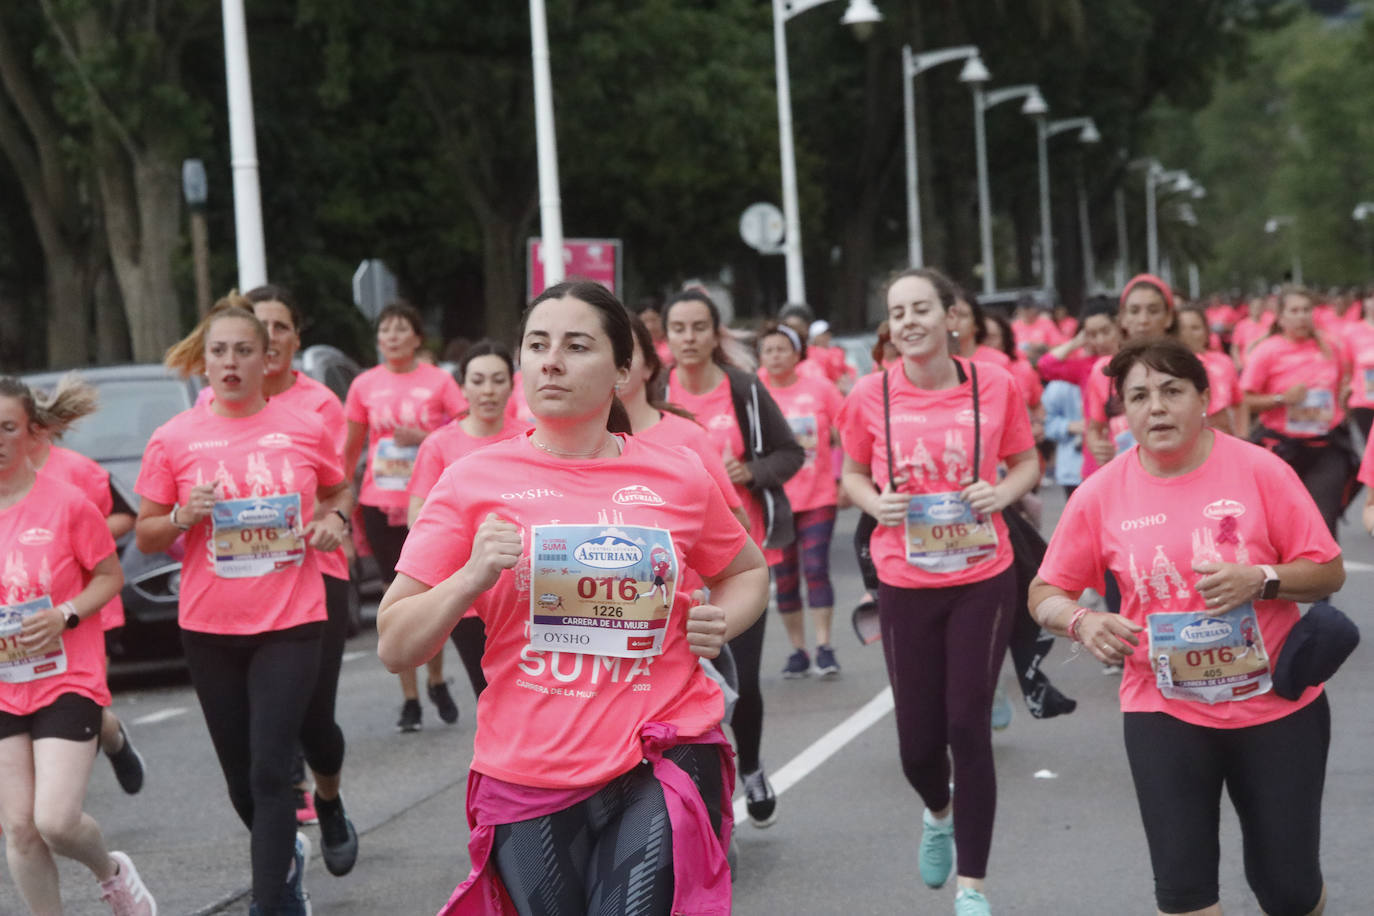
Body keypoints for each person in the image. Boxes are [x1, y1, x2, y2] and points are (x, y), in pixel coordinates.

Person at [376, 280, 769, 916]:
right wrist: (471, 576)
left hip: (662, 744)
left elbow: (747, 570)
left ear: (622, 370)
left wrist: (719, 622)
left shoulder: (676, 474)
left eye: (576, 346)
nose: (551, 360)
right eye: (537, 344)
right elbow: (395, 645)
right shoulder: (471, 482)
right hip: (528, 767)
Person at [1029, 337, 1344, 916]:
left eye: (1172, 391)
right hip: (1162, 707)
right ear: (1123, 410)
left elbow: (1327, 571)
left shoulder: (1259, 470)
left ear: (1204, 398)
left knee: (1289, 891)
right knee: (1184, 893)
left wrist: (1261, 579)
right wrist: (1082, 619)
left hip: (1274, 706)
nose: (1156, 408)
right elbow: (1045, 592)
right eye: (1139, 396)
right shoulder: (1101, 494)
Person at [136, 299, 354, 914]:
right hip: (209, 627)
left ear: (268, 359)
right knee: (242, 784)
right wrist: (182, 516)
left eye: (243, 351)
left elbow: (338, 487)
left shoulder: (304, 428)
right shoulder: (174, 439)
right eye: (219, 352)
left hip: (292, 619)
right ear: (203, 363)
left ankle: (272, 903)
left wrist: (335, 519)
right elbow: (147, 534)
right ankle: (286, 856)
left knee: (270, 772)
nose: (230, 362)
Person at [839, 268, 1040, 916]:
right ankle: (937, 811)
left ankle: (972, 885)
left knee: (966, 724)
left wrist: (1002, 492)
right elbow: (851, 474)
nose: (909, 322)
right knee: (917, 746)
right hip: (905, 577)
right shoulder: (871, 395)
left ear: (951, 317)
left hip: (983, 572)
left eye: (921, 308)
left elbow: (1026, 461)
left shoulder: (995, 384)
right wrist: (879, 502)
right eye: (898, 313)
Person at [194, 284, 361, 869]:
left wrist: (334, 519)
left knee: (316, 720)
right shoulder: (207, 409)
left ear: (287, 340)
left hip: (315, 574)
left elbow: (338, 481)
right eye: (248, 332)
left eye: (277, 329)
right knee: (264, 745)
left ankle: (331, 799)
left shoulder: (317, 407)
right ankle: (279, 828)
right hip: (238, 589)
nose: (262, 344)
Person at [0, 377, 157, 916]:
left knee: (56, 822)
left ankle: (111, 873)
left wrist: (64, 614)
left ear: (33, 433)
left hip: (66, 674)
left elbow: (109, 576)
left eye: (8, 427)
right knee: (19, 829)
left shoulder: (67, 504)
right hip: (2, 683)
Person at [664, 289, 804, 830]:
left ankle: (752, 766)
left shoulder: (743, 389)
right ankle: (695, 796)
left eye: (700, 327)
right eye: (679, 328)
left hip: (741, 561)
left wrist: (749, 472)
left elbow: (790, 452)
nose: (690, 338)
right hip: (673, 570)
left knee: (739, 678)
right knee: (678, 688)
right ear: (667, 337)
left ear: (715, 333)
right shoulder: (653, 394)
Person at [343, 302, 467, 732]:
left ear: (417, 337)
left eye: (401, 329)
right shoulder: (364, 385)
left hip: (429, 501)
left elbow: (466, 428)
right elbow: (351, 446)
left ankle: (435, 680)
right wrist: (340, 501)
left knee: (428, 595)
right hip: (379, 500)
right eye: (385, 330)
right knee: (395, 601)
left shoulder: (439, 381)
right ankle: (410, 698)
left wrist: (425, 437)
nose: (392, 337)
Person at [27, 375, 146, 796]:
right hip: (21, 615)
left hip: (85, 606)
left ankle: (106, 742)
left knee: (80, 701)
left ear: (42, 426)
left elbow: (124, 517)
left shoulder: (77, 470)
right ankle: (106, 738)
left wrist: (75, 542)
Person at [407, 340, 531, 701]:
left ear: (512, 384)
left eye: (497, 380)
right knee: (491, 693)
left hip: (526, 590)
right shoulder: (439, 445)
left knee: (531, 691)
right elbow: (419, 515)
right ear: (462, 387)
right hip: (466, 594)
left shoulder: (531, 438)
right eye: (478, 381)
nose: (488, 391)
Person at [756, 323, 845, 678]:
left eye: (782, 349)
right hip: (776, 503)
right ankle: (798, 650)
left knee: (816, 568)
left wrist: (846, 478)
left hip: (819, 495)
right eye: (768, 350)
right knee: (787, 578)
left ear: (797, 354)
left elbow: (846, 430)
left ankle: (824, 646)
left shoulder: (820, 388)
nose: (775, 356)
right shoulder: (755, 392)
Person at [1240, 286, 1353, 537]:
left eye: (1306, 310)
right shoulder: (1267, 351)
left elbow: (1339, 390)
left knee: (1324, 522)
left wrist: (1343, 401)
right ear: (1281, 318)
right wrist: (1282, 398)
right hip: (1282, 449)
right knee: (1282, 525)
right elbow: (1245, 399)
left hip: (1325, 446)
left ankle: (1325, 575)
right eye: (1294, 310)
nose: (1302, 316)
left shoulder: (1329, 348)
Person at [1084, 275, 1178, 475]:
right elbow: (1095, 428)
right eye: (1134, 311)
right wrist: (1097, 446)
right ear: (1123, 319)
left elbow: (1217, 427)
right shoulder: (1104, 370)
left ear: (1169, 317)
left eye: (1153, 311)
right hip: (1125, 480)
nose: (1143, 320)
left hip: (1180, 475)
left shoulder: (1189, 367)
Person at [1175, 304, 1241, 435]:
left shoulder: (1224, 361)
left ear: (1206, 333)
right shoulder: (1170, 366)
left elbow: (1239, 402)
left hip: (1225, 438)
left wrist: (1242, 435)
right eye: (1181, 329)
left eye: (1195, 328)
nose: (1188, 334)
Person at [1340, 292, 1374, 439]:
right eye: (1371, 298)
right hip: (1362, 401)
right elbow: (1346, 367)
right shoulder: (1351, 331)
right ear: (1364, 303)